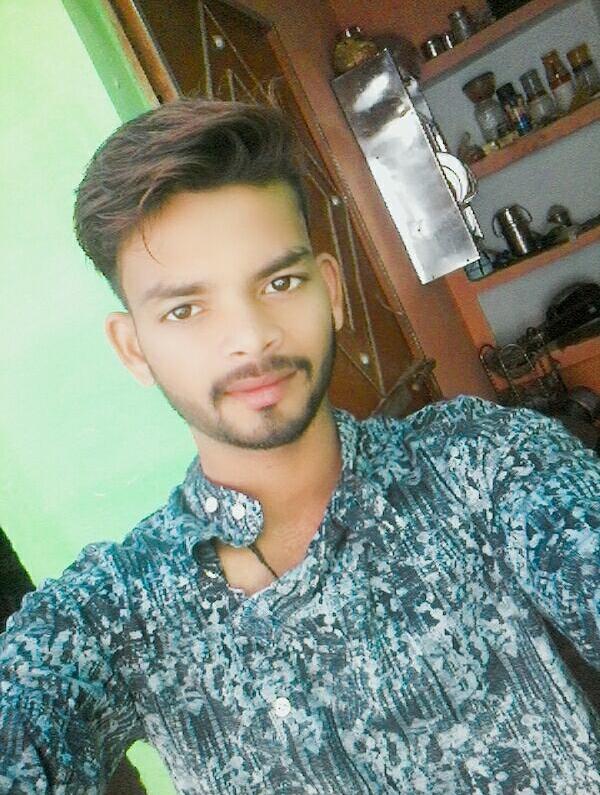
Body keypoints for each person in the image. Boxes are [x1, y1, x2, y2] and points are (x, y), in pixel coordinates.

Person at [0, 98, 598, 795]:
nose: (251, 337)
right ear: (133, 349)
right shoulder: (115, 612)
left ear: (332, 291)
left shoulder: (481, 461)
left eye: (279, 283)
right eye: (186, 309)